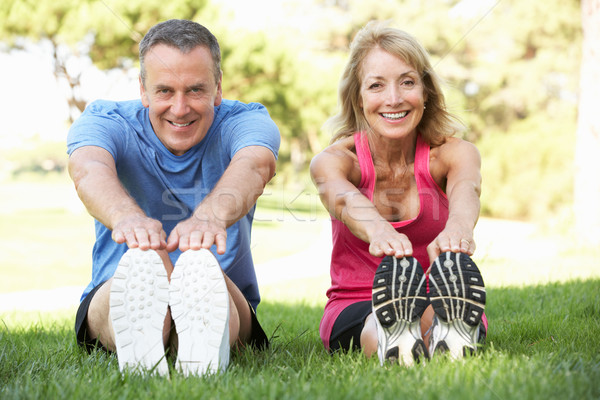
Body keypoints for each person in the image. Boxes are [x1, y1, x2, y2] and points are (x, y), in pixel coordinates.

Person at [67, 19, 280, 376]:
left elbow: (255, 165)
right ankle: (147, 329)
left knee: (199, 266)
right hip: (115, 292)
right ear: (143, 90)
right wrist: (126, 218)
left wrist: (210, 217)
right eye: (165, 91)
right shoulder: (106, 120)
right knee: (144, 261)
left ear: (217, 88)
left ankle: (193, 335)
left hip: (224, 297)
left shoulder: (246, 120)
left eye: (195, 90)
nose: (180, 109)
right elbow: (88, 167)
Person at [310, 21, 487, 366]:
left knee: (433, 312)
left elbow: (468, 188)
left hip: (439, 293)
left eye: (407, 82)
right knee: (374, 323)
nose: (393, 99)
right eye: (376, 85)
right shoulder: (334, 161)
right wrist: (379, 230)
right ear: (358, 99)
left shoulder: (454, 153)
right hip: (356, 300)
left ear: (425, 91)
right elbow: (344, 198)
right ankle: (401, 334)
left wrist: (458, 229)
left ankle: (443, 328)